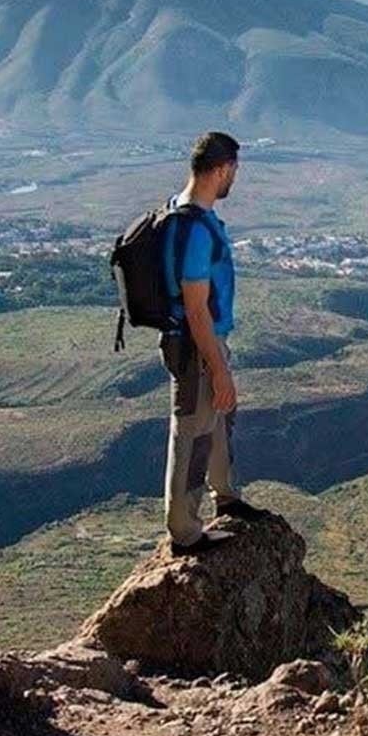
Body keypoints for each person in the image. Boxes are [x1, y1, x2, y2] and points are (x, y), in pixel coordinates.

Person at [162, 130, 263, 552]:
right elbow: (196, 308)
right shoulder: (196, 231)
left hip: (205, 342)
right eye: (233, 171)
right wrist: (218, 368)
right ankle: (184, 531)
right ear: (221, 169)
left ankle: (226, 495)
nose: (233, 180)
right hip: (196, 345)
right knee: (193, 432)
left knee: (219, 418)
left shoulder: (181, 214)